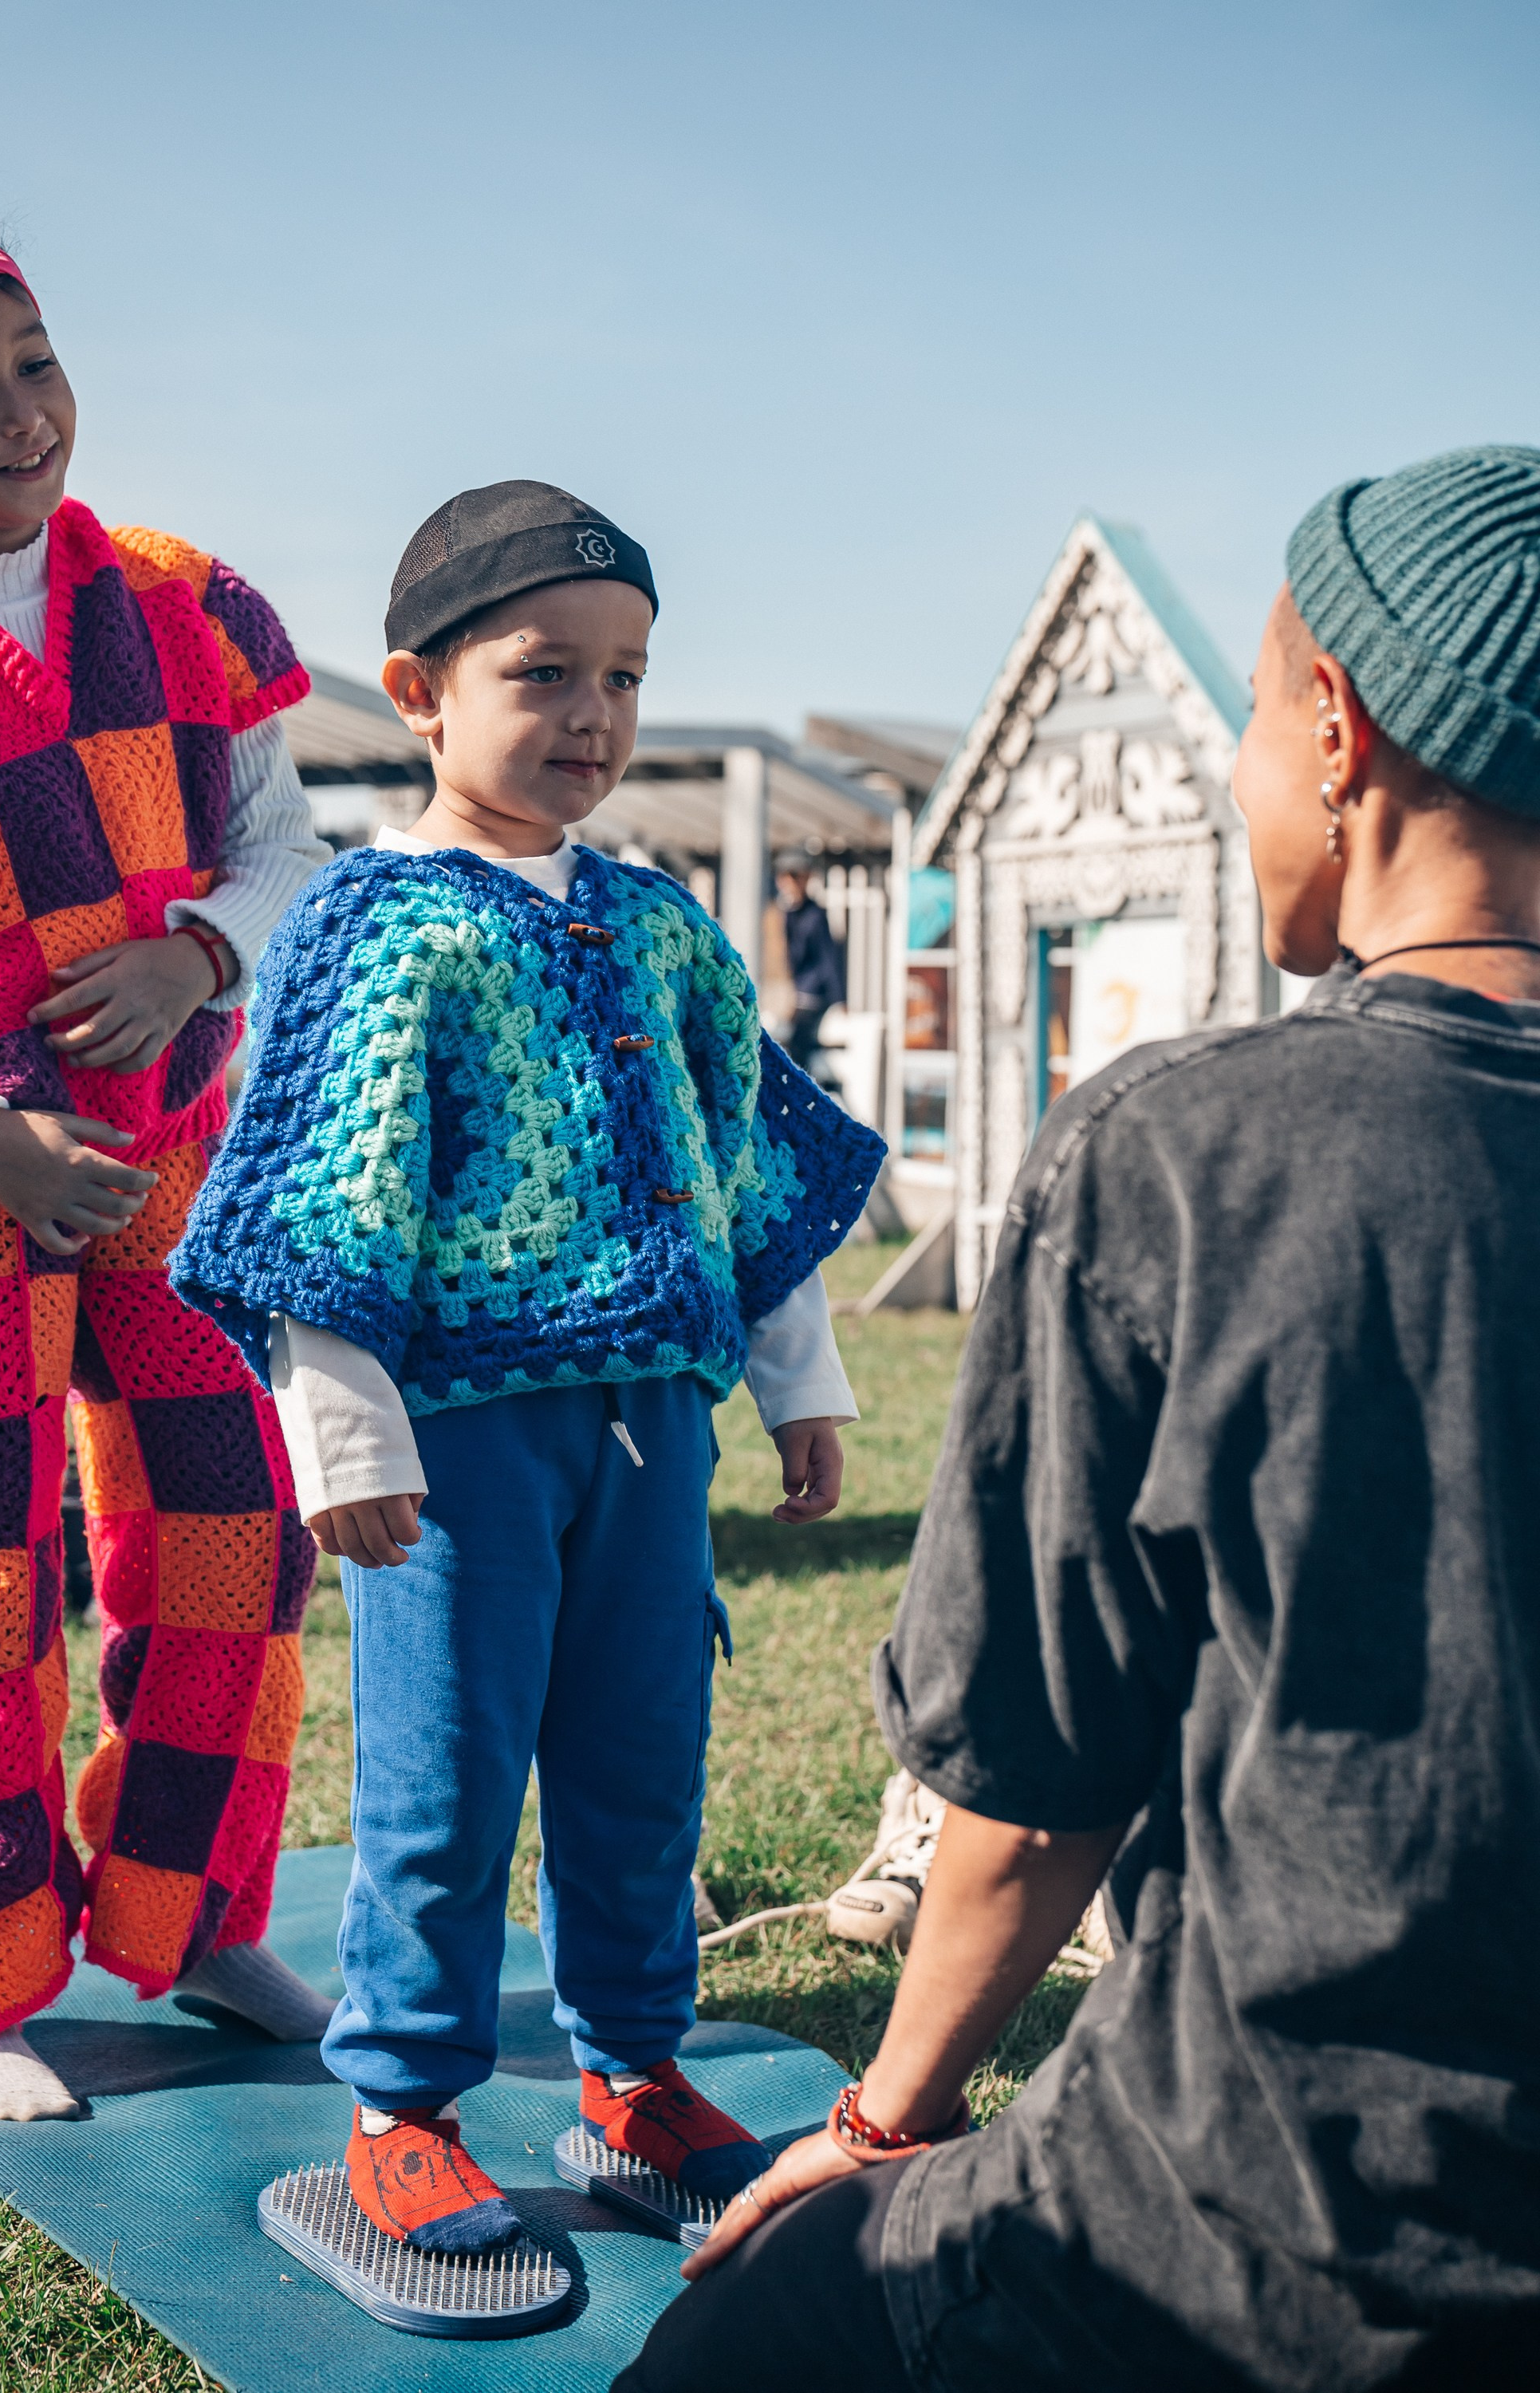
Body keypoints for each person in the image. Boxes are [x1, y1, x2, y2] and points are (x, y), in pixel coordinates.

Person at [616, 443, 1540, 2391]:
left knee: (732, 2344)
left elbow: (1034, 1786)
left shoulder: (1186, 1158)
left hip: (1257, 2244)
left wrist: (874, 2128)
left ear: (1331, 724)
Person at [170, 481, 885, 2259]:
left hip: (650, 1436)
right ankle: (402, 2102)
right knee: (448, 1773)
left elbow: (738, 1171)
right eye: (542, 672)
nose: (591, 717)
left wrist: (800, 1382)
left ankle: (630, 2076)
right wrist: (341, 1434)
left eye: (625, 678)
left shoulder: (657, 925)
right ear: (419, 691)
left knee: (646, 1758)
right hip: (455, 1448)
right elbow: (322, 1209)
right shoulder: (372, 924)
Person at [0, 215, 333, 2124]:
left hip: (175, 1162)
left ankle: (189, 1913)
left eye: (35, 356)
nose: (23, 411)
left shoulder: (187, 603)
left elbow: (282, 845)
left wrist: (203, 951)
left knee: (232, 1534)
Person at [774, 851, 844, 1069]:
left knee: (798, 1046)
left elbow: (827, 960)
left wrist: (839, 998)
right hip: (785, 993)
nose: (790, 883)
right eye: (786, 876)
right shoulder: (781, 913)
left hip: (810, 996)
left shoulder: (815, 915)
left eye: (796, 876)